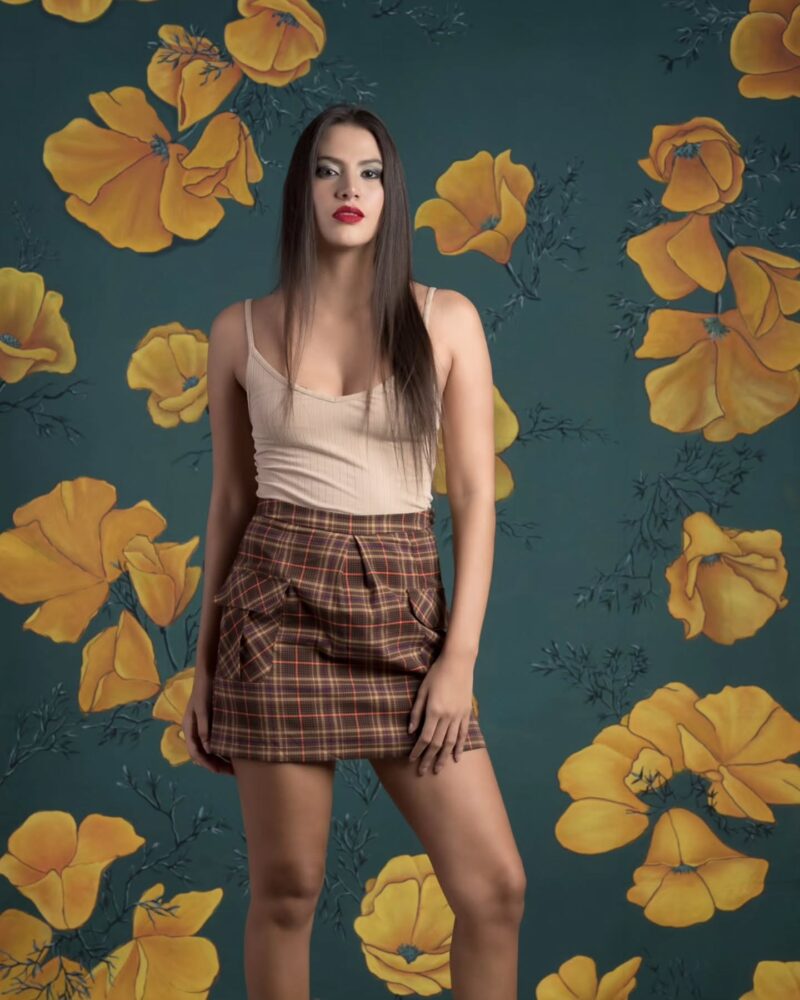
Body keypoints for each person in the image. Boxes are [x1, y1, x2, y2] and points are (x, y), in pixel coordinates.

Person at [182, 103, 526, 1000]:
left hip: (403, 614)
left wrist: (458, 660)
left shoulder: (445, 317)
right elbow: (230, 503)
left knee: (494, 890)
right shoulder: (238, 329)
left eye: (369, 172)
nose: (350, 189)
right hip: (274, 616)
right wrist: (204, 667)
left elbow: (476, 502)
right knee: (288, 892)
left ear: (391, 193)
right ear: (302, 191)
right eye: (329, 171)